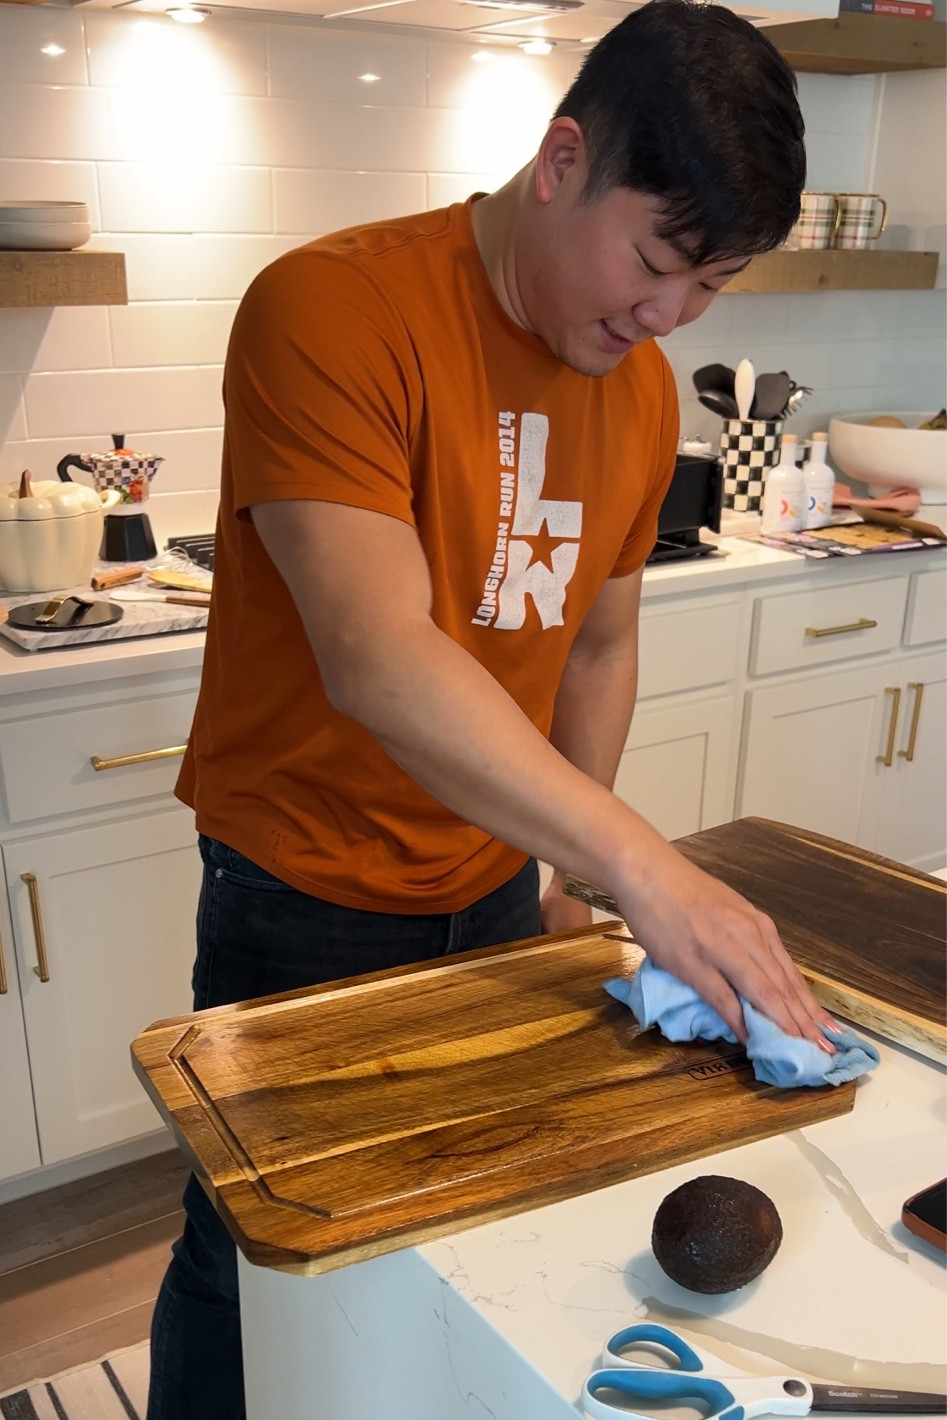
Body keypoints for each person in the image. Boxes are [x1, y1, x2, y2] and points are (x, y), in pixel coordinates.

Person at [147, 2, 836, 1414]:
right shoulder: (333, 305)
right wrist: (651, 867)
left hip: (497, 885)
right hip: (306, 886)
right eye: (657, 259)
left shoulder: (640, 393)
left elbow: (596, 641)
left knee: (456, 1233)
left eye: (715, 286)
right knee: (263, 1258)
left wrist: (576, 875)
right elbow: (376, 654)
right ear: (560, 159)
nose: (669, 316)